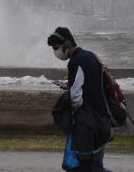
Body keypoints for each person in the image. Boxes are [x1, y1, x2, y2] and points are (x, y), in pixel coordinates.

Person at [48, 27, 112, 172]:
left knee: (83, 167)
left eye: (57, 48)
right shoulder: (90, 56)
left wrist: (71, 106)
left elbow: (76, 96)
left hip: (87, 124)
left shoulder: (77, 60)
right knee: (96, 166)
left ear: (68, 43)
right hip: (102, 121)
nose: (56, 52)